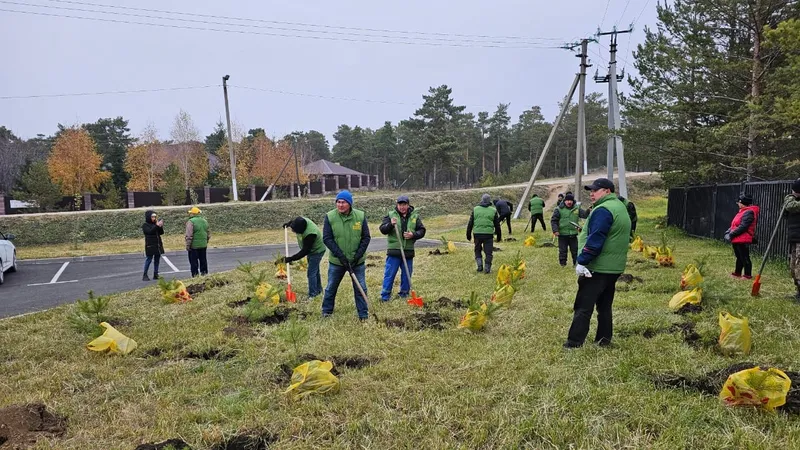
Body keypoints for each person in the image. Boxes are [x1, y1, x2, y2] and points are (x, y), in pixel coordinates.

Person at [564, 178, 631, 348]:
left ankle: (574, 343)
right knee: (604, 306)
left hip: (597, 267)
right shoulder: (620, 207)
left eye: (595, 190)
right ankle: (604, 340)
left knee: (583, 306)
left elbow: (596, 238)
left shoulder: (603, 210)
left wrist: (582, 261)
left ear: (607, 191)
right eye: (591, 191)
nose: (592, 194)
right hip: (613, 267)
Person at [322, 190, 371, 320]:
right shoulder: (330, 216)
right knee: (330, 288)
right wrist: (341, 257)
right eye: (338, 202)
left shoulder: (360, 216)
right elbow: (327, 238)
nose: (340, 205)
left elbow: (366, 237)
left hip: (357, 262)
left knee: (361, 288)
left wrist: (357, 256)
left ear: (349, 204)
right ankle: (326, 313)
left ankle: (363, 315)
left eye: (343, 202)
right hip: (337, 262)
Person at [378, 195, 426, 301]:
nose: (402, 207)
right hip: (394, 251)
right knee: (389, 274)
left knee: (407, 275)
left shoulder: (415, 216)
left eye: (404, 204)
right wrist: (390, 224)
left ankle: (404, 294)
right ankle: (385, 296)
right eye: (400, 204)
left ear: (408, 205)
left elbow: (422, 230)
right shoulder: (390, 215)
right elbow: (382, 229)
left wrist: (413, 235)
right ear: (397, 205)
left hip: (408, 251)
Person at [281, 216, 326, 299]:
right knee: (315, 271)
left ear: (302, 230)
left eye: (296, 231)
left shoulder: (310, 234)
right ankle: (319, 290)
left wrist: (291, 258)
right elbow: (293, 222)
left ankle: (313, 295)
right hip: (312, 250)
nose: (294, 232)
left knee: (311, 273)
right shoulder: (300, 220)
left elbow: (304, 251)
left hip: (317, 251)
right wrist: (288, 224)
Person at [724, 194, 760, 280]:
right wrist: (728, 232)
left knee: (745, 257)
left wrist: (731, 234)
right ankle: (737, 273)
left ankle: (747, 274)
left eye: (739, 202)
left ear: (742, 203)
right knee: (739, 257)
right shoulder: (742, 211)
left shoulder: (749, 212)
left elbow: (743, 226)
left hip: (743, 238)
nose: (738, 204)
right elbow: (734, 225)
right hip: (737, 238)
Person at [467, 193, 502, 274]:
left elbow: (470, 223)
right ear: (489, 201)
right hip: (488, 235)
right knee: (488, 252)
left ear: (482, 200)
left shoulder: (475, 209)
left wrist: (468, 234)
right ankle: (487, 268)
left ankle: (479, 266)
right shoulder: (493, 210)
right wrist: (499, 236)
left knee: (477, 250)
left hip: (477, 234)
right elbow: (497, 225)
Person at [551, 193, 581, 267]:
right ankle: (563, 264)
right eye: (567, 200)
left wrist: (589, 211)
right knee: (563, 251)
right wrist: (555, 230)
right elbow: (554, 220)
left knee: (575, 250)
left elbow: (585, 214)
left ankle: (576, 263)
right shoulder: (558, 209)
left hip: (573, 234)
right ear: (564, 201)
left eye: (570, 200)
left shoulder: (576, 208)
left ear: (573, 201)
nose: (569, 202)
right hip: (562, 234)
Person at [785, 179, 800, 302]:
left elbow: (791, 205)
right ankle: (798, 291)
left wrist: (790, 197)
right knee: (793, 266)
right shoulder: (794, 202)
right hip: (795, 237)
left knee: (799, 266)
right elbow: (788, 209)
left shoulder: (794, 202)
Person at [185, 206, 210, 277]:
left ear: (192, 214)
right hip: (203, 245)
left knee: (193, 262)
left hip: (194, 246)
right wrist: (206, 241)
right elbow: (208, 234)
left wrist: (188, 245)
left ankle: (195, 275)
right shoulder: (205, 221)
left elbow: (189, 235)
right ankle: (204, 273)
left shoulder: (190, 222)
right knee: (203, 260)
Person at [142, 210, 164, 281]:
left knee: (157, 260)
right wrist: (157, 226)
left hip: (157, 245)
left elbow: (161, 233)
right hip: (150, 245)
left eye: (155, 217)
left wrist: (160, 226)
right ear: (149, 217)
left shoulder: (155, 224)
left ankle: (156, 274)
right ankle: (145, 274)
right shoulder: (145, 225)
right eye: (152, 217)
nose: (154, 218)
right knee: (149, 259)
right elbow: (150, 232)